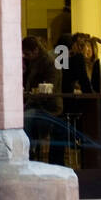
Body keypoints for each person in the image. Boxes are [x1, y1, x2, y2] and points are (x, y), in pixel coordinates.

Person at [22, 35, 65, 165]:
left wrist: (32, 93)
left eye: (27, 53)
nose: (26, 56)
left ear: (36, 50)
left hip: (49, 107)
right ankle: (28, 151)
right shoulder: (34, 62)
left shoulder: (50, 64)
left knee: (26, 119)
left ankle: (28, 153)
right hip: (37, 105)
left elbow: (49, 89)